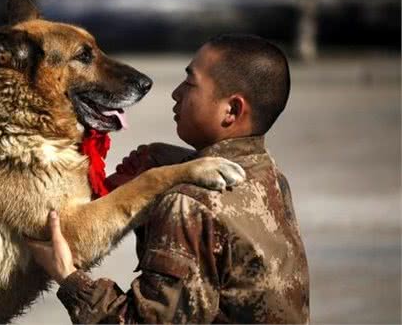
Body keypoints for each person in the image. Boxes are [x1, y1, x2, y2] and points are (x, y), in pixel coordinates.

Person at [27, 34, 309, 323]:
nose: (176, 94)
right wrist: (174, 166)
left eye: (190, 84)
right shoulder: (268, 175)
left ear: (232, 110)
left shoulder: (189, 204)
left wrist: (69, 277)